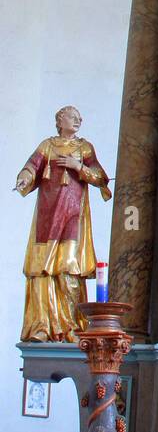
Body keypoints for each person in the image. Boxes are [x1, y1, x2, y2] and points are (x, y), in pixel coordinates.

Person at [15, 106, 111, 342]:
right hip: (46, 219)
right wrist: (24, 177)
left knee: (68, 269)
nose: (79, 119)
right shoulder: (47, 145)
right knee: (41, 272)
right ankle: (41, 326)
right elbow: (31, 167)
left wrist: (78, 166)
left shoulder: (84, 147)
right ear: (59, 120)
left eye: (80, 116)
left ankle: (71, 328)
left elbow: (101, 177)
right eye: (72, 116)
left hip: (72, 217)